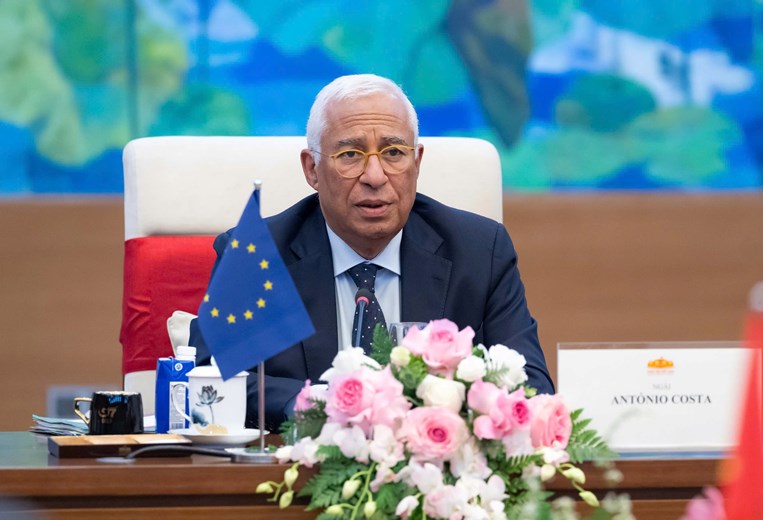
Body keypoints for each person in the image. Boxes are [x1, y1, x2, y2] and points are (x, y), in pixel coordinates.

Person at [191, 74, 554, 432]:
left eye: (394, 153)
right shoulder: (259, 255)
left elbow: (530, 386)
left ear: (417, 162)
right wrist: (317, 405)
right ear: (312, 169)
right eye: (350, 154)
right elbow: (210, 382)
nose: (375, 176)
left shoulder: (478, 251)